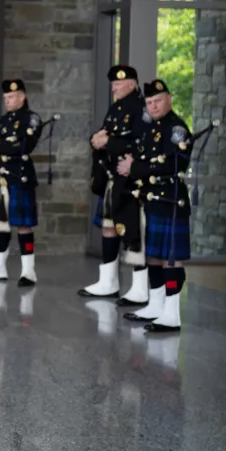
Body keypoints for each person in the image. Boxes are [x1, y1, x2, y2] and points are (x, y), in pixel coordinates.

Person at [122, 79, 193, 332]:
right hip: (151, 199)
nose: (153, 106)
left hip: (170, 198)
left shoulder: (177, 129)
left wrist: (135, 168)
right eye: (149, 102)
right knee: (153, 255)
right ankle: (156, 305)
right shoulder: (152, 129)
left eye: (158, 101)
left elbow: (173, 165)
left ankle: (172, 314)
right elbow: (145, 158)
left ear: (169, 99)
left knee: (170, 259)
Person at [78, 64, 148, 301]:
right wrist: (94, 140)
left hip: (130, 180)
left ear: (131, 83)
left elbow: (139, 143)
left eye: (118, 84)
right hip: (111, 178)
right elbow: (101, 135)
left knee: (132, 231)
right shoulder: (115, 109)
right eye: (113, 84)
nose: (114, 89)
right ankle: (108, 281)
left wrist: (108, 141)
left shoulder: (141, 108)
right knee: (109, 228)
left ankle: (140, 287)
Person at [0, 79, 45, 286]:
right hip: (0, 178)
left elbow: (25, 146)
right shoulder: (3, 120)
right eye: (5, 97)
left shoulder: (32, 119)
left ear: (22, 97)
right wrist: (0, 145)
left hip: (19, 176)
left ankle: (28, 271)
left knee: (23, 225)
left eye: (11, 97)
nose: (7, 100)